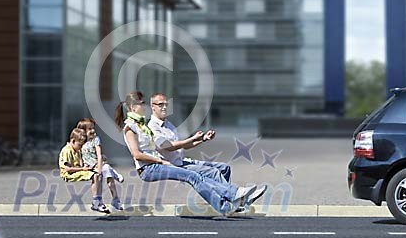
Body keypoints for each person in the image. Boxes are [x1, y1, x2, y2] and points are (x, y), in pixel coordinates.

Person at [115, 91, 257, 216]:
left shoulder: (142, 125)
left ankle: (230, 201)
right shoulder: (130, 128)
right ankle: (232, 197)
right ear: (132, 107)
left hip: (159, 163)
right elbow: (137, 155)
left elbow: (167, 147)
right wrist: (160, 161)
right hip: (147, 168)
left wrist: (200, 140)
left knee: (206, 173)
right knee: (193, 176)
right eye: (142, 103)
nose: (144, 106)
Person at [147, 93, 267, 207]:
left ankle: (233, 198)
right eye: (160, 104)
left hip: (182, 160)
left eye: (166, 104)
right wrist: (193, 138)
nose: (164, 107)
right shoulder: (152, 127)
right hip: (172, 165)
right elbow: (168, 146)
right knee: (213, 172)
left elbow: (183, 146)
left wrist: (203, 139)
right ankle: (235, 196)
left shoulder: (169, 125)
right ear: (153, 107)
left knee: (223, 168)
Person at [77, 118, 125, 211]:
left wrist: (99, 169)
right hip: (90, 167)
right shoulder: (81, 142)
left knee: (106, 172)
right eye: (89, 129)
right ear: (83, 131)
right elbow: (79, 155)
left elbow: (99, 155)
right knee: (97, 179)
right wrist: (81, 166)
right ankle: (97, 201)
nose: (92, 131)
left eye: (93, 128)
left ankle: (115, 200)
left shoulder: (96, 140)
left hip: (98, 165)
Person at [58, 128, 109, 213]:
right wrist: (83, 169)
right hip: (68, 174)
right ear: (73, 141)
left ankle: (99, 200)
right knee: (94, 175)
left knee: (98, 175)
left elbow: (81, 161)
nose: (80, 148)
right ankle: (95, 201)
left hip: (77, 170)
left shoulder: (76, 150)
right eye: (79, 145)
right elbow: (67, 169)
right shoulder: (66, 150)